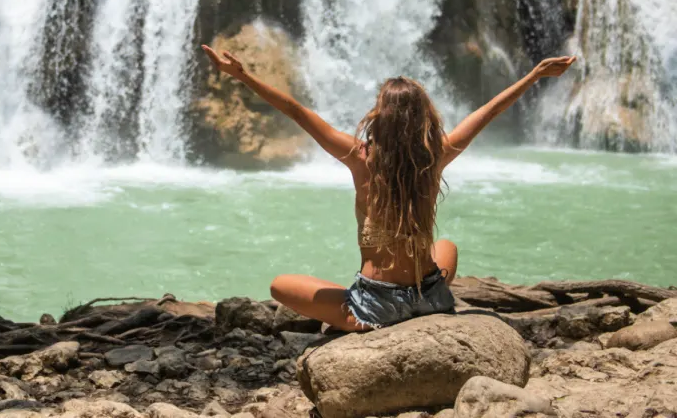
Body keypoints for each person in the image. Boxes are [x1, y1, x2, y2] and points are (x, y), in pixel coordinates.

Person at [201, 45, 576, 332]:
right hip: (431, 297)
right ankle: (415, 303)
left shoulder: (359, 157)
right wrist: (534, 76)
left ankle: (357, 320)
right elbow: (488, 112)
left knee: (281, 285)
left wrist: (243, 75)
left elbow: (297, 112)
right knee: (446, 247)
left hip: (376, 306)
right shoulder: (437, 154)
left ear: (379, 118)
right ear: (423, 118)